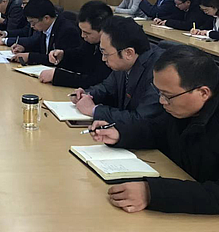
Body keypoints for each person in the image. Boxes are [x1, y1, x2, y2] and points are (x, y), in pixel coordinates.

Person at [90, 45, 219, 214]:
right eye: (159, 93)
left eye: (167, 95)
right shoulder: (181, 107)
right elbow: (158, 131)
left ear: (203, 93)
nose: (161, 101)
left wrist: (151, 193)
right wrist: (120, 133)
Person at [71, 16, 164, 126]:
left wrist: (94, 110)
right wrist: (87, 95)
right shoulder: (125, 61)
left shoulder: (159, 71)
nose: (103, 59)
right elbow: (107, 88)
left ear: (128, 53)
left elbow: (141, 119)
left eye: (106, 54)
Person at [39, 0, 112, 88]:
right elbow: (81, 55)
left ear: (103, 30)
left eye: (87, 33)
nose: (82, 36)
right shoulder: (92, 42)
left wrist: (57, 76)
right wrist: (63, 55)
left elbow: (94, 80)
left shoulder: (111, 50)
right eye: (81, 31)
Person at [10, 0, 81, 65]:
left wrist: (30, 57)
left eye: (33, 23)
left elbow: (56, 59)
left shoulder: (67, 31)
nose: (31, 26)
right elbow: (39, 47)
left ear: (46, 18)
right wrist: (24, 48)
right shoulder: (45, 28)